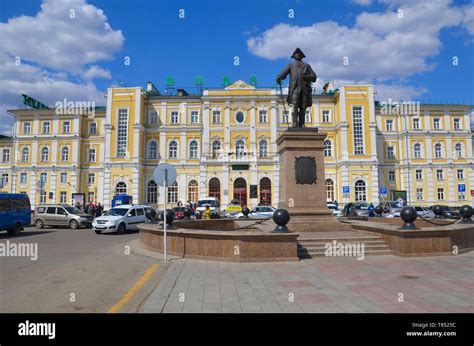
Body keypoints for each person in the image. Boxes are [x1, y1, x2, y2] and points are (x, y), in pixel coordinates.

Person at [276, 47, 317, 127]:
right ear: (294, 56)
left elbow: (314, 77)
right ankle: (295, 123)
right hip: (294, 88)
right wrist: (279, 77)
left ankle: (302, 123)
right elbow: (284, 72)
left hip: (304, 89)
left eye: (299, 54)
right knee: (295, 104)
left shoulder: (306, 66)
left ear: (302, 56)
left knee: (303, 106)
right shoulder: (290, 65)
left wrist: (306, 76)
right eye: (296, 54)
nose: (298, 55)